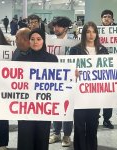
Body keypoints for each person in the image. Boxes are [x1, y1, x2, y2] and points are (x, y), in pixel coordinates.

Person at [16, 28, 58, 150]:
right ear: (29, 41)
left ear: (43, 41)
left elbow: (60, 81)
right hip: (25, 109)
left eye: (38, 39)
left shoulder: (52, 59)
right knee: (25, 139)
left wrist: (73, 75)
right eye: (32, 39)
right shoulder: (20, 59)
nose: (35, 42)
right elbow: (11, 80)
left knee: (42, 138)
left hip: (43, 108)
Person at [70, 21, 109, 150]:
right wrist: (73, 73)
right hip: (79, 95)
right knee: (79, 126)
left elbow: (109, 71)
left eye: (93, 31)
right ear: (83, 33)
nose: (91, 35)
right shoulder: (75, 49)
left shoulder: (103, 50)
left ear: (97, 33)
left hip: (95, 96)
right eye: (88, 31)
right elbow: (69, 70)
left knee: (92, 126)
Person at [49, 16, 73, 147]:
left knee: (67, 108)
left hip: (68, 79)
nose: (55, 28)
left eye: (58, 26)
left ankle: (67, 135)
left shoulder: (73, 42)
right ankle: (56, 133)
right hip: (53, 78)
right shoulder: (50, 41)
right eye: (54, 26)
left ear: (65, 28)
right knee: (55, 107)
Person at [100, 9, 115, 129]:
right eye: (105, 16)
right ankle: (95, 118)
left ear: (112, 19)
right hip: (98, 67)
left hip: (112, 67)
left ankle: (106, 119)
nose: (107, 18)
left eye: (109, 17)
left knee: (108, 96)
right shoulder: (95, 31)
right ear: (101, 19)